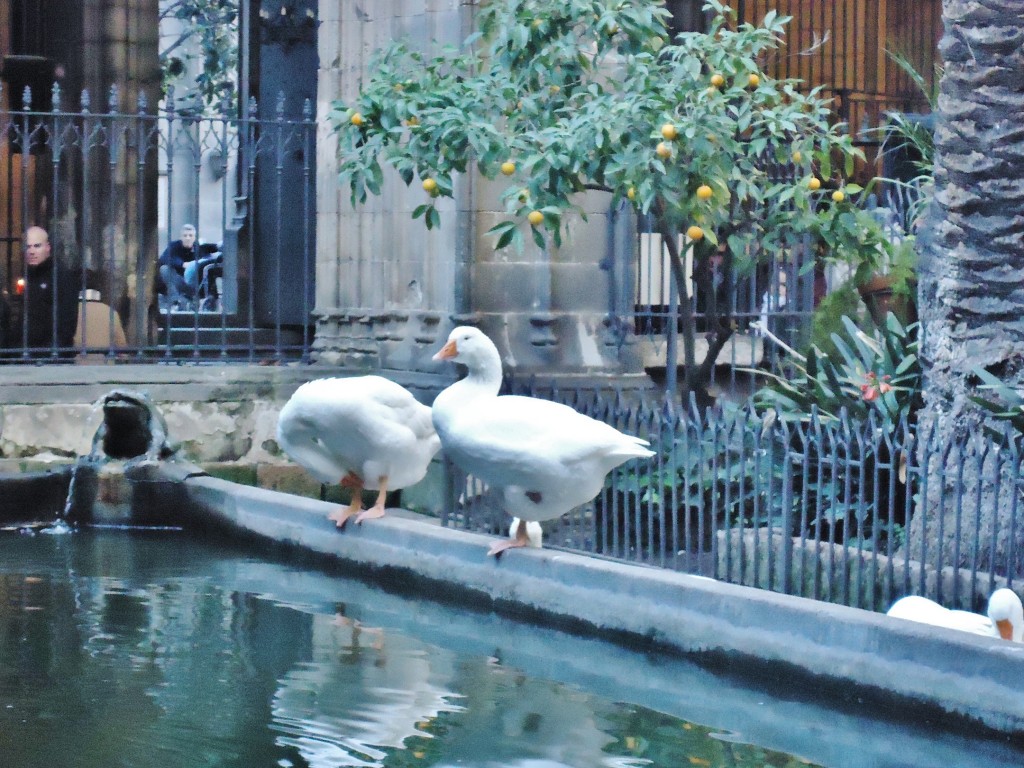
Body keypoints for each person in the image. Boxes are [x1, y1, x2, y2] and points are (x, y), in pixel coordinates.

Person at [19, 225, 79, 354]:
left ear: (47, 247)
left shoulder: (61, 276)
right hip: (28, 355)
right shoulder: (28, 275)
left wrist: (52, 353)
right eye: (28, 247)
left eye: (37, 246)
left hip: (52, 357)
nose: (31, 251)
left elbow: (67, 323)